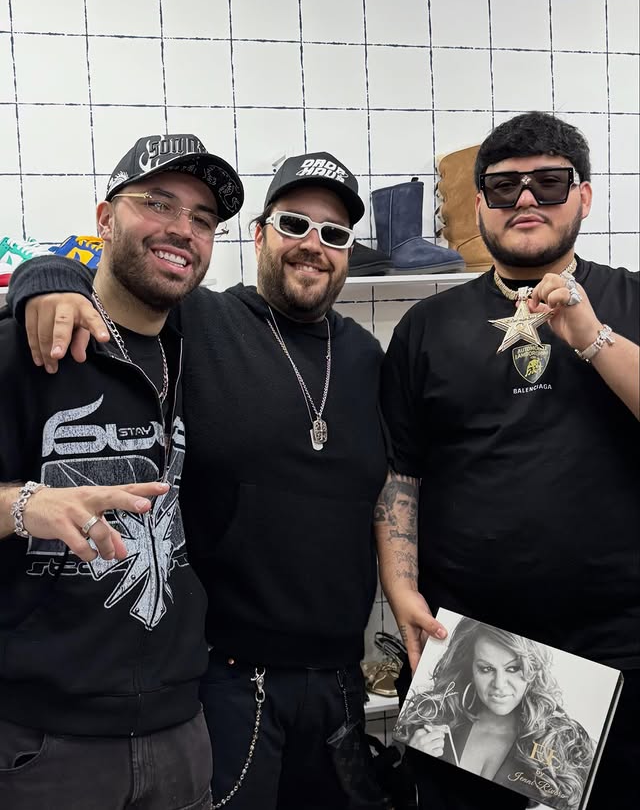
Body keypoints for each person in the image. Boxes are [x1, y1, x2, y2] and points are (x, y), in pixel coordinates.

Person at [3, 151, 389, 809]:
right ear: (261, 234)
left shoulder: (365, 356)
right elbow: (119, 275)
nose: (313, 246)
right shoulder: (206, 323)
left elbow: (395, 483)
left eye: (334, 234)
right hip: (198, 687)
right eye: (295, 223)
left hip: (288, 693)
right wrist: (47, 277)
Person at [374, 111, 639, 810]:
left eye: (548, 183)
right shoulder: (427, 327)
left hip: (619, 650)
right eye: (503, 186)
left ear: (583, 195)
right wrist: (402, 592)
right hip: (469, 651)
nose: (525, 199)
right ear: (481, 205)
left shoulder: (632, 303)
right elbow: (402, 477)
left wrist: (591, 334)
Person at [0, 132, 245, 809]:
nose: (182, 230)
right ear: (105, 220)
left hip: (180, 726)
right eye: (158, 204)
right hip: (44, 743)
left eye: (202, 219)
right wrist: (27, 506)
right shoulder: (26, 346)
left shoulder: (212, 345)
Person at [394, 618, 594, 810]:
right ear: (470, 668)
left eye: (513, 669)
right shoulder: (434, 723)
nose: (499, 685)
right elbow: (406, 796)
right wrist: (416, 761)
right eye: (486, 668)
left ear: (532, 670)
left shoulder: (562, 741)